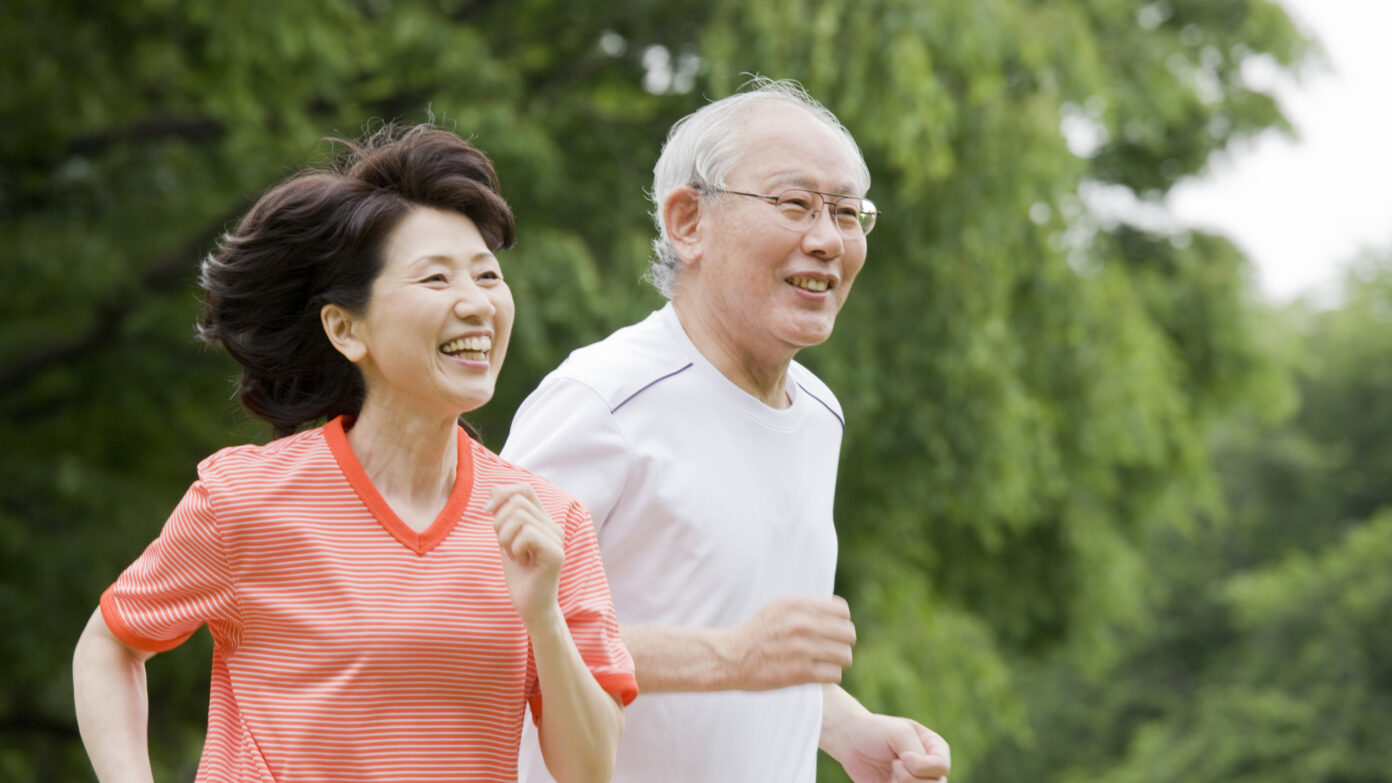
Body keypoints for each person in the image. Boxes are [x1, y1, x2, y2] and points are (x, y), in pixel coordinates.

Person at [71, 125, 636, 783]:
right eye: (436, 277)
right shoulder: (246, 498)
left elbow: (590, 769)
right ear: (345, 328)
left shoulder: (547, 522)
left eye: (488, 275)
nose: (477, 303)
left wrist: (541, 612)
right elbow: (110, 645)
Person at [504, 80, 951, 782]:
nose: (827, 240)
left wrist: (849, 728)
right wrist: (734, 655)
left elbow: (752, 644)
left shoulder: (819, 413)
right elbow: (487, 622)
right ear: (688, 222)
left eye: (846, 213)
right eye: (795, 204)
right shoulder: (603, 400)